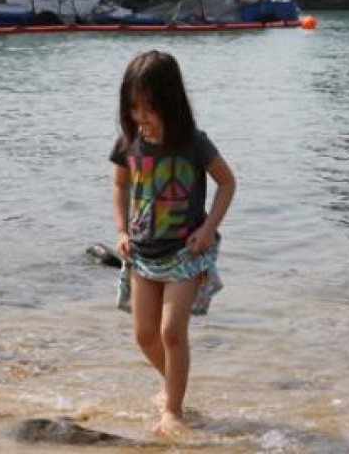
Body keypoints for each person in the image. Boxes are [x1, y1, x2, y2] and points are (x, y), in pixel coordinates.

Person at [110, 50, 236, 436]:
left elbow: (227, 183)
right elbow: (120, 186)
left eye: (149, 108)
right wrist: (121, 231)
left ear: (171, 102)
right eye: (133, 108)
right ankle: (174, 386)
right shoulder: (129, 143)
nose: (141, 117)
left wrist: (208, 228)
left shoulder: (194, 144)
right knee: (144, 334)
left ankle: (174, 410)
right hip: (143, 253)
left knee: (170, 332)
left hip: (186, 252)